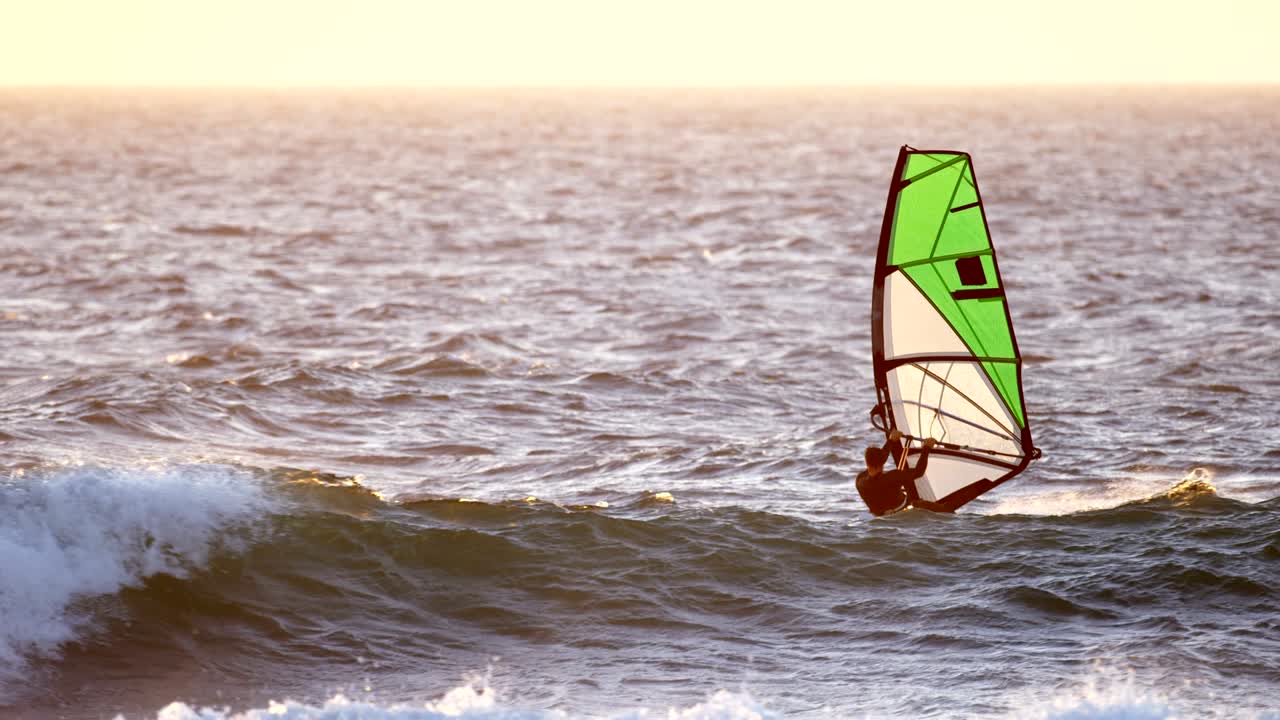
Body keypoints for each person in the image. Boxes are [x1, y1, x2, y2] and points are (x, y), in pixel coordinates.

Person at [855, 429, 939, 515]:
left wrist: (891, 441)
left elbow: (881, 458)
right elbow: (919, 472)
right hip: (900, 510)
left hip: (879, 513)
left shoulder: (860, 480)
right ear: (882, 462)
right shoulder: (892, 477)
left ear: (867, 461)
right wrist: (926, 448)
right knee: (941, 507)